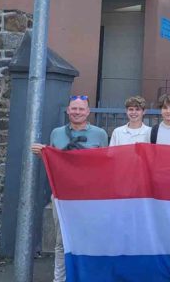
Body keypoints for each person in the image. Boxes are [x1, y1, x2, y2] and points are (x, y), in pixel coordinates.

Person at [30, 95, 108, 282]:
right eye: (74, 108)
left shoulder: (100, 134)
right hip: (62, 195)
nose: (77, 112)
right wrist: (44, 154)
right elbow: (55, 162)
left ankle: (87, 276)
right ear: (68, 110)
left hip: (89, 197)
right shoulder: (57, 133)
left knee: (89, 238)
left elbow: (105, 164)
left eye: (81, 109)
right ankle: (60, 279)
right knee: (61, 240)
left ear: (88, 112)